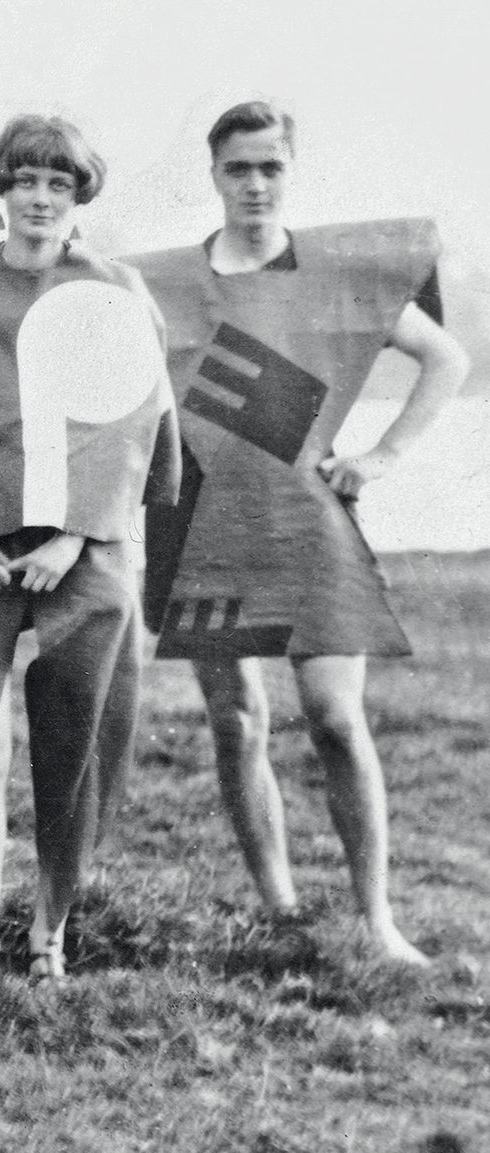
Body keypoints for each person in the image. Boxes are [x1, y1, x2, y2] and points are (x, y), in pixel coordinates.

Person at [131, 102, 468, 965]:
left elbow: (448, 360)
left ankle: (377, 918)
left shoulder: (334, 275)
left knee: (334, 719)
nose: (254, 184)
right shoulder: (161, 285)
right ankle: (279, 907)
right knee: (237, 718)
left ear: (291, 172)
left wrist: (381, 456)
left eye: (270, 167)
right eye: (238, 168)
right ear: (213, 174)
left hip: (307, 515)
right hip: (200, 512)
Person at [0, 115, 181, 988]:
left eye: (59, 183)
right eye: (25, 180)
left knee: (77, 729)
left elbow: (137, 421)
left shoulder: (118, 289)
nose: (40, 198)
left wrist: (79, 531)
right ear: (0, 191)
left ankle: (48, 931)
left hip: (82, 546)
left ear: (79, 194)